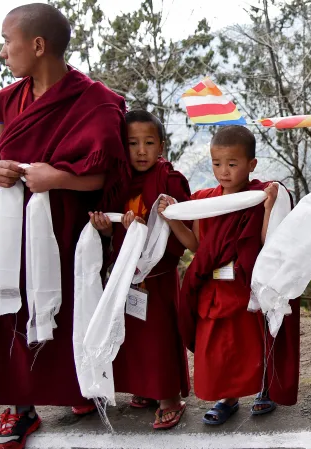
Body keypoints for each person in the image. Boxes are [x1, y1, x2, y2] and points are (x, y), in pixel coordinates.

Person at [0, 4, 128, 448]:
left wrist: (57, 178)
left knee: (72, 304)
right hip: (13, 226)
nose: (3, 51)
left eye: (8, 41)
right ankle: (19, 409)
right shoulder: (11, 98)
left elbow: (106, 174)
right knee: (13, 309)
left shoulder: (95, 101)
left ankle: (77, 389)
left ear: (38, 45)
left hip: (66, 225)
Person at [158, 125, 299, 426]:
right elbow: (197, 246)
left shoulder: (259, 196)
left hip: (244, 285)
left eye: (232, 164)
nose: (223, 171)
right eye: (217, 163)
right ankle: (227, 398)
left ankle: (264, 388)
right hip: (213, 287)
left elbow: (266, 241)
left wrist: (270, 207)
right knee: (219, 348)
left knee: (252, 344)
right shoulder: (205, 200)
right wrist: (172, 220)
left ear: (251, 164)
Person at [88, 110, 191, 429]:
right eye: (133, 143)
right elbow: (113, 232)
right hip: (125, 275)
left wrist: (157, 220)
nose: (141, 151)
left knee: (159, 337)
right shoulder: (119, 181)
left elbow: (184, 225)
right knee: (132, 336)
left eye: (149, 142)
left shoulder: (170, 180)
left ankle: (169, 399)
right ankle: (144, 389)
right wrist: (107, 229)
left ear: (161, 145)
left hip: (157, 276)